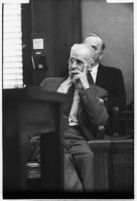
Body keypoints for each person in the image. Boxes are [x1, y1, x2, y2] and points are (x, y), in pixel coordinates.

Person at [40, 43, 109, 192]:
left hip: (77, 137)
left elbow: (101, 121)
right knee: (61, 159)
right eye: (71, 60)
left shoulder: (98, 92)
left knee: (88, 157)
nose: (73, 65)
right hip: (48, 135)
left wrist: (86, 89)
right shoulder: (49, 83)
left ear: (90, 66)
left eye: (79, 62)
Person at [83, 33, 126, 134]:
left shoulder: (114, 74)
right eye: (85, 47)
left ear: (101, 55)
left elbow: (121, 101)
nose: (87, 51)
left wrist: (100, 103)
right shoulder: (68, 72)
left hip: (104, 127)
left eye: (93, 48)